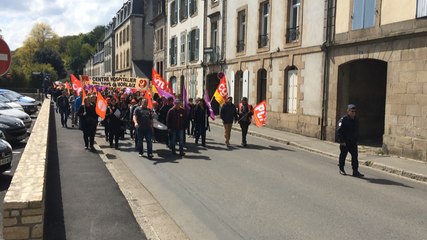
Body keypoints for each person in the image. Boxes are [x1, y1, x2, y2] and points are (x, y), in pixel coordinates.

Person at [336, 104, 364, 177]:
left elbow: (356, 130)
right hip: (345, 142)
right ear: (348, 111)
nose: (353, 113)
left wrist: (356, 139)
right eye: (352, 111)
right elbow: (339, 130)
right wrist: (341, 141)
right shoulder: (343, 119)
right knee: (343, 155)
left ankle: (355, 171)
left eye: (354, 111)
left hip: (352, 142)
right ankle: (341, 168)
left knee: (355, 156)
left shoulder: (356, 120)